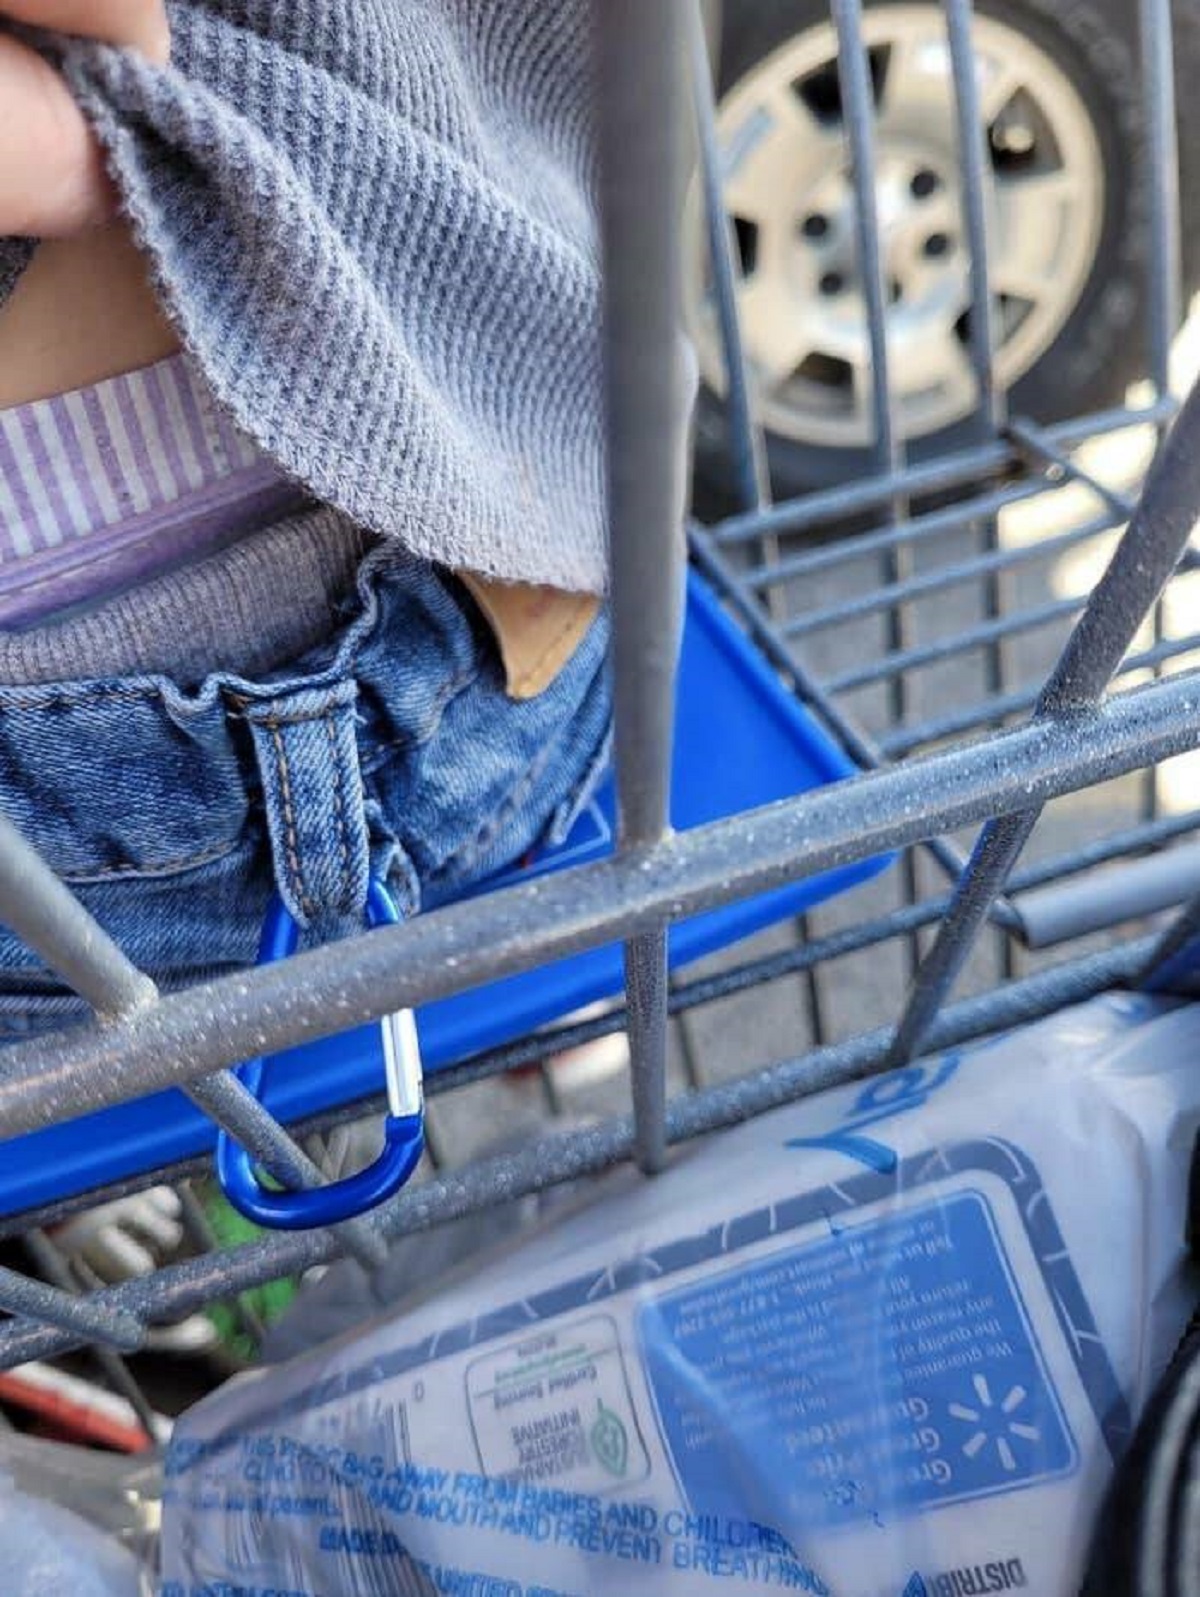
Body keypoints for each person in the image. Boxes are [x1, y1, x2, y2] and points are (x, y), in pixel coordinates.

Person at [0, 0, 615, 1025]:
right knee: (563, 871)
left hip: (48, 862)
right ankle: (541, 1002)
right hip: (515, 470)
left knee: (116, 1108)